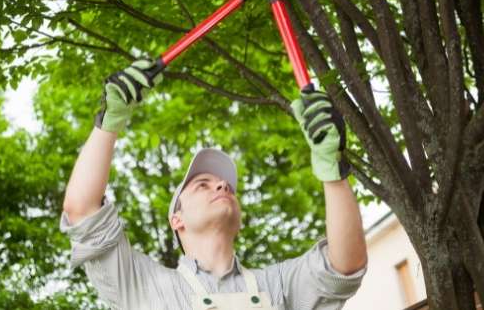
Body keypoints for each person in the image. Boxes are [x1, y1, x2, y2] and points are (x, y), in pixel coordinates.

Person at [60, 59, 368, 310]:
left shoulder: (278, 285)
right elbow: (82, 211)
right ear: (176, 220)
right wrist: (109, 121)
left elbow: (345, 264)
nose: (221, 187)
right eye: (202, 185)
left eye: (227, 187)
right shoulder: (144, 286)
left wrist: (332, 169)